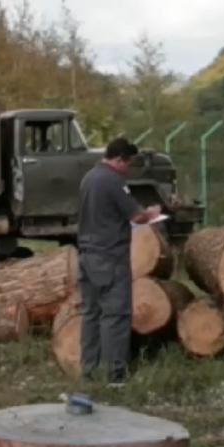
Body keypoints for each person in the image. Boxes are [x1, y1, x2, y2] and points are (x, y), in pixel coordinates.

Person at [76, 137, 161, 385]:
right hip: (110, 256)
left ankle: (89, 372)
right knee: (116, 315)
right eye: (129, 163)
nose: (128, 169)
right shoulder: (113, 180)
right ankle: (115, 376)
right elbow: (136, 215)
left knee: (91, 314)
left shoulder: (89, 178)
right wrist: (152, 213)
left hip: (87, 255)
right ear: (119, 159)